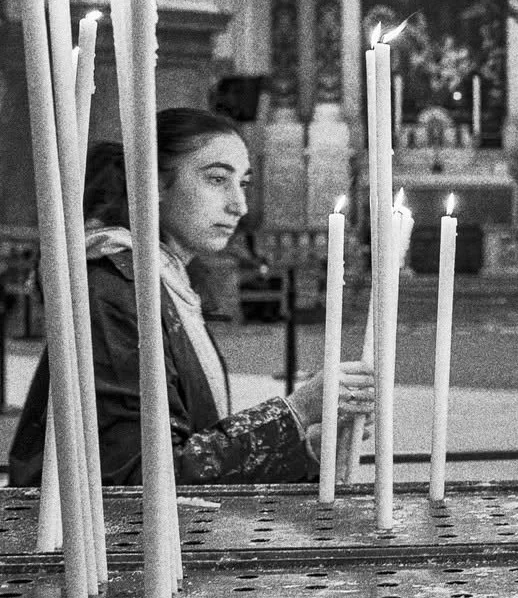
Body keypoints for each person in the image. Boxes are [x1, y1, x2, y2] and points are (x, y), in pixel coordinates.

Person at [7, 107, 375, 487]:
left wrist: (304, 445)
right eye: (217, 179)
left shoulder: (163, 280)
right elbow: (139, 473)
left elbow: (188, 444)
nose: (240, 206)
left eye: (243, 183)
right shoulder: (114, 288)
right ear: (154, 184)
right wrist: (294, 412)